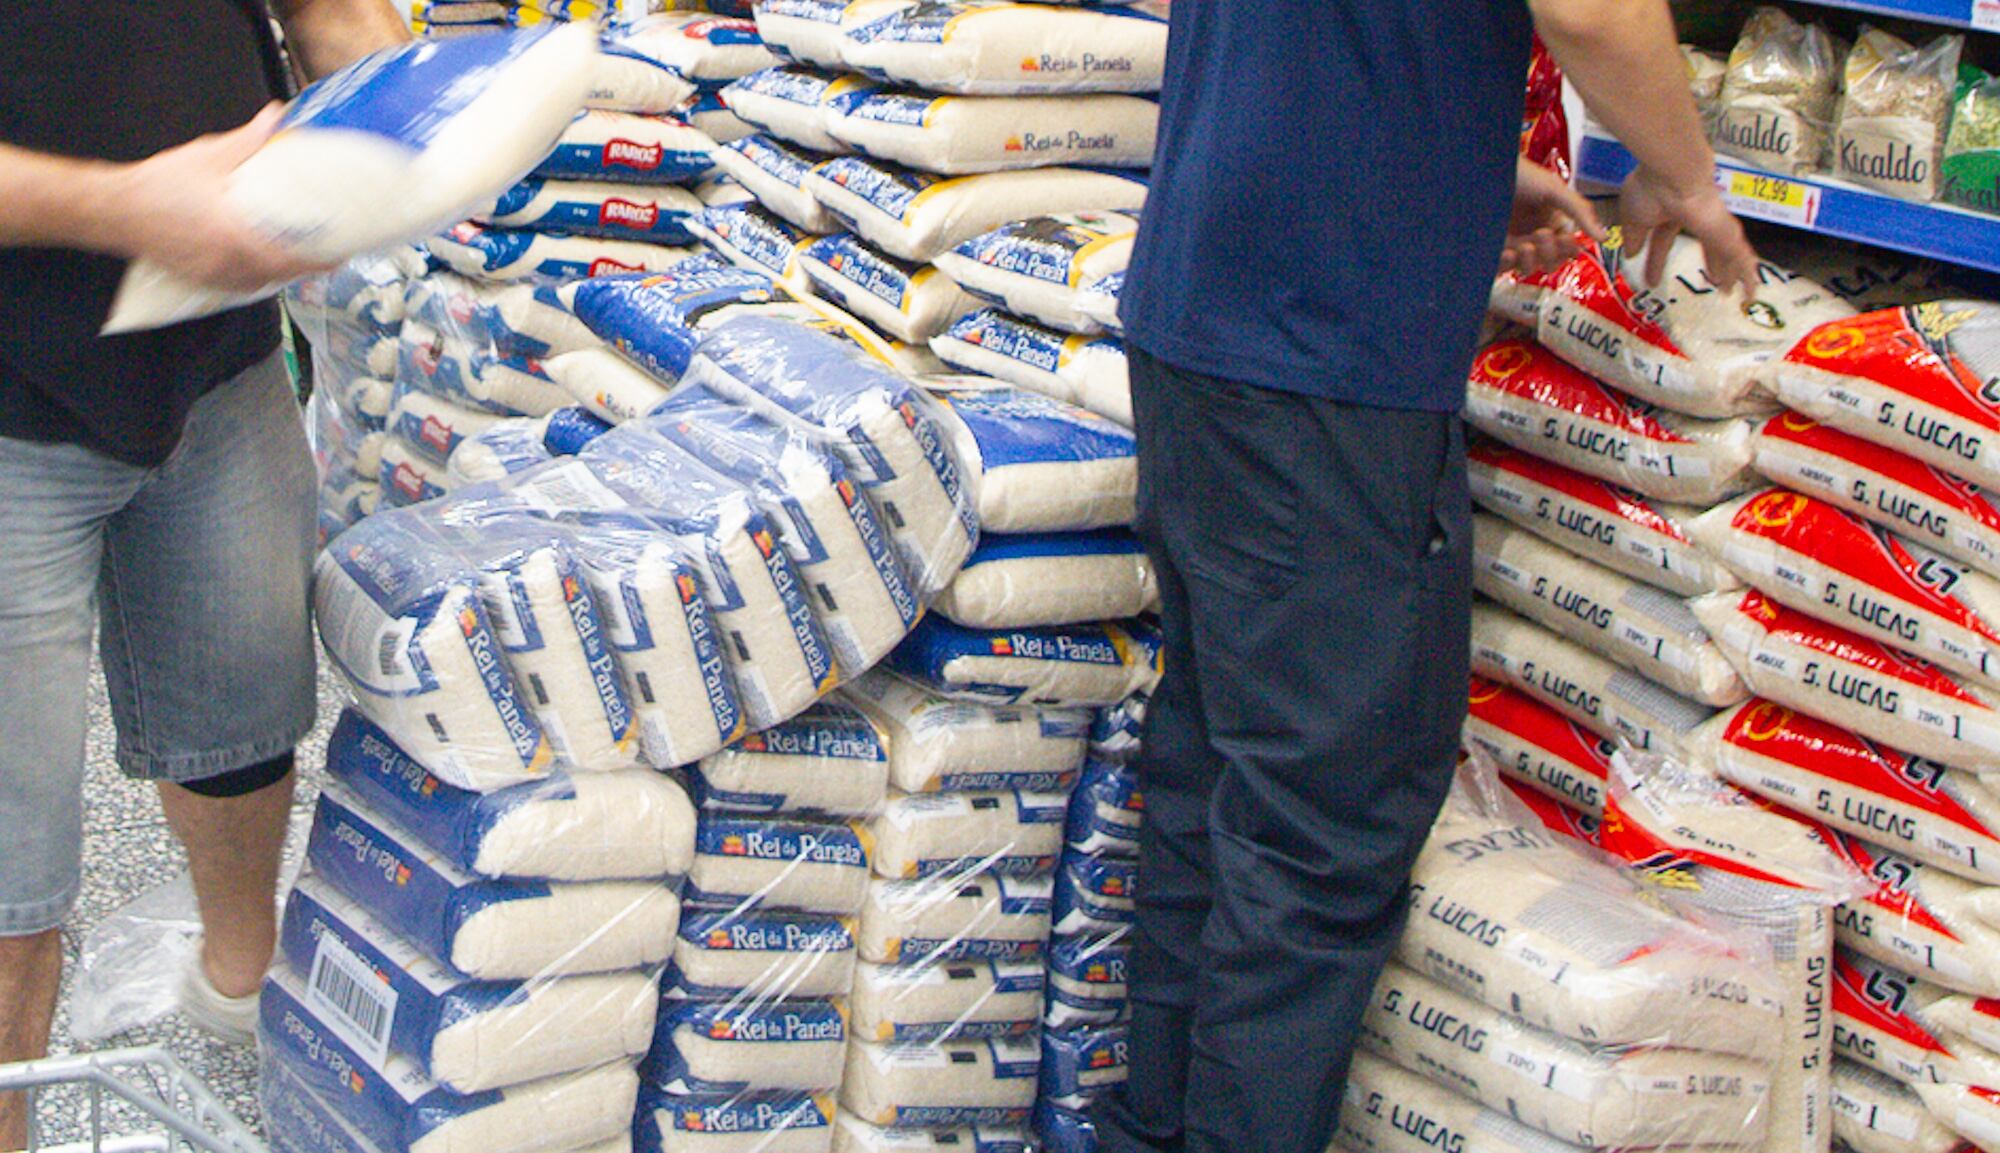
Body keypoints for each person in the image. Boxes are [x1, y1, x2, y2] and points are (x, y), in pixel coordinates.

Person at [1095, 2, 1758, 1152]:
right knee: (1317, 830)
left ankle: (1146, 1130)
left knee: (1212, 772)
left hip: (1203, 303)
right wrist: (1683, 176)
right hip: (1325, 352)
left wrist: (1447, 153)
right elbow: (1590, 8)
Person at [0, 0, 406, 1143]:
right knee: (9, 881)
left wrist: (410, 116)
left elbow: (327, 10)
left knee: (245, 725)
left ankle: (240, 985)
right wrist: (124, 206)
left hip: (215, 357)